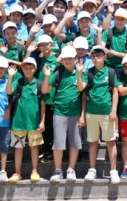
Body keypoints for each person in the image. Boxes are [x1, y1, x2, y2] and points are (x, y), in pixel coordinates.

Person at [78, 45, 121, 184]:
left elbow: (115, 92)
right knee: (92, 142)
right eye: (93, 55)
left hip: (107, 112)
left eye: (99, 55)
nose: (96, 58)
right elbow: (81, 88)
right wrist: (79, 73)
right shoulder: (88, 72)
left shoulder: (111, 72)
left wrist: (114, 111)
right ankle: (92, 170)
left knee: (110, 142)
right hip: (91, 112)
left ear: (104, 56)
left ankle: (113, 171)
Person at [41, 45, 84, 183]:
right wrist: (47, 76)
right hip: (59, 111)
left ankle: (71, 169)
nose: (68, 61)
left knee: (74, 142)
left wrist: (79, 74)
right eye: (65, 59)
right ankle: (58, 170)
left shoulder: (81, 71)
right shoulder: (58, 72)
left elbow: (80, 89)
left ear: (75, 58)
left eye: (70, 58)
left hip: (75, 112)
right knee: (58, 143)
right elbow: (45, 90)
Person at [6, 58, 46, 183]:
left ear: (35, 69)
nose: (28, 70)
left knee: (34, 147)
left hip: (34, 122)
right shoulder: (18, 82)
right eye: (25, 68)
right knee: (18, 148)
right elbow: (8, 91)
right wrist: (10, 77)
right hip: (18, 122)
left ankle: (34, 171)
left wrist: (42, 121)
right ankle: (17, 173)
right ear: (22, 69)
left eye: (30, 68)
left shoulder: (39, 84)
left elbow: (43, 104)